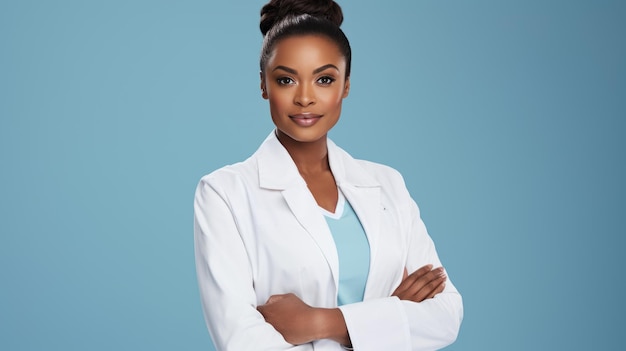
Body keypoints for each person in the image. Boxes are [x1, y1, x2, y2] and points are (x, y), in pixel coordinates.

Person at [194, 0, 463, 350]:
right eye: (286, 79)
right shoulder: (223, 194)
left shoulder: (387, 184)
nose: (305, 98)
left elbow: (445, 316)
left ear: (346, 86)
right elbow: (242, 340)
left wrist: (317, 321)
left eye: (324, 79)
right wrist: (391, 315)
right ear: (263, 85)